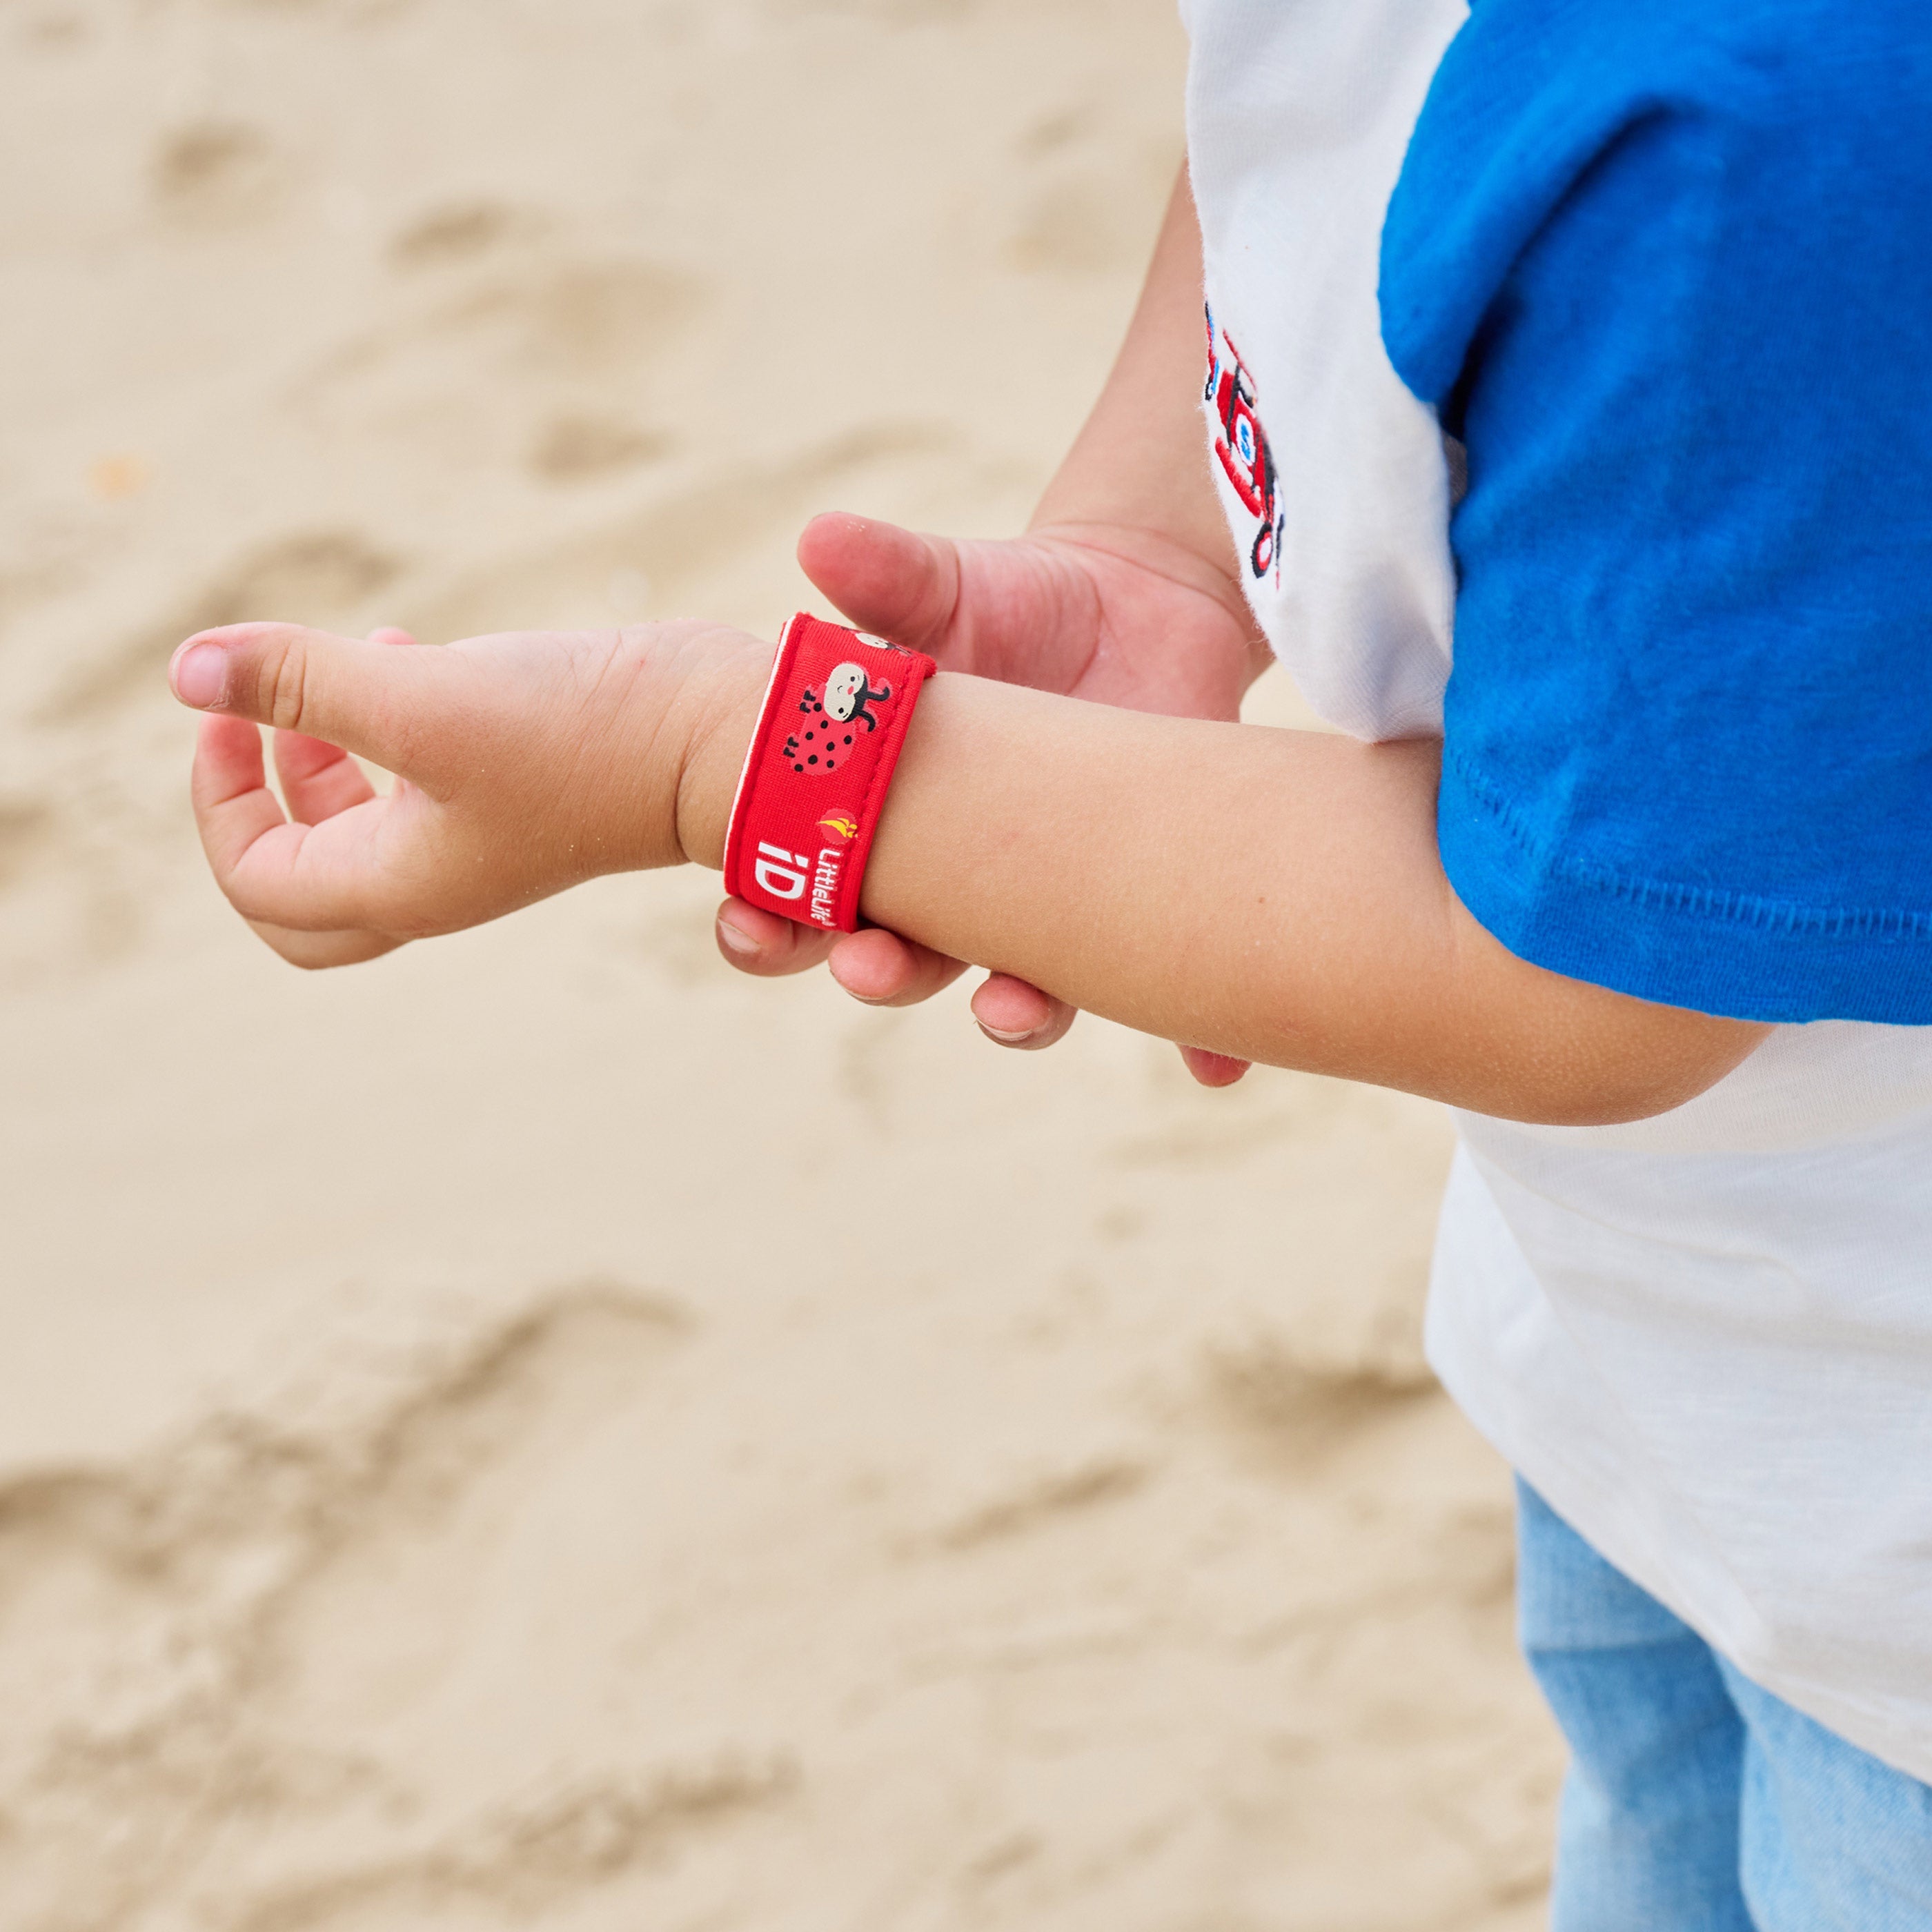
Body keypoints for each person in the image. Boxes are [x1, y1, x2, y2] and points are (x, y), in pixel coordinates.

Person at [166, 0, 1932, 1918]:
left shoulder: (1766, 138)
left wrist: (715, 756)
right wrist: (1152, 542)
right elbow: (1302, 127)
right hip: (1656, 1345)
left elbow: (1591, 973)